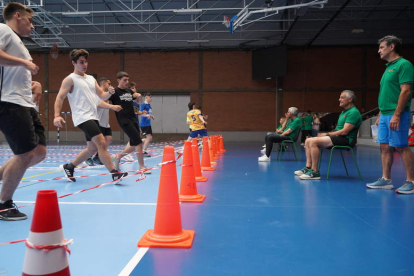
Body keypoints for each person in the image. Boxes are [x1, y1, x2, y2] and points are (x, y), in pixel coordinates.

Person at [0, 2, 46, 220]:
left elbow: (12, 75)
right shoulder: (4, 30)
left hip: (24, 102)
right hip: (8, 102)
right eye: (30, 20)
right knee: (25, 153)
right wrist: (25, 63)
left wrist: (33, 84)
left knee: (38, 152)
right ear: (18, 16)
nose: (33, 26)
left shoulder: (18, 42)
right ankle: (4, 204)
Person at [54, 49, 128, 183]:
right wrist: (56, 115)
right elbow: (60, 97)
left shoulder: (91, 78)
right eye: (81, 62)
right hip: (82, 117)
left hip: (93, 116)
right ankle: (114, 173)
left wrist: (110, 92)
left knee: (92, 148)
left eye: (86, 61)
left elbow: (102, 95)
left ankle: (69, 167)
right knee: (101, 142)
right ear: (74, 63)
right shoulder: (70, 79)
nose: (84, 65)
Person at [366, 35, 414, 194]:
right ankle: (386, 179)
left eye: (381, 47)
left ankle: (411, 181)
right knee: (384, 146)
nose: (379, 50)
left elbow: (405, 91)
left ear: (391, 47)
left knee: (401, 146)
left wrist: (397, 114)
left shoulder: (404, 65)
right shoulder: (388, 67)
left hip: (397, 114)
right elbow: (387, 94)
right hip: (385, 113)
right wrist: (380, 114)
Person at [294, 90, 362, 180]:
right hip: (338, 137)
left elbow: (344, 132)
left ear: (350, 99)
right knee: (308, 140)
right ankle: (308, 167)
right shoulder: (343, 112)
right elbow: (338, 129)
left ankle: (315, 172)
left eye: (342, 97)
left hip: (346, 139)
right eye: (340, 97)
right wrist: (326, 135)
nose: (339, 99)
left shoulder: (353, 112)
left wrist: (327, 134)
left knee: (313, 142)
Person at [109, 72, 151, 174]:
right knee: (138, 142)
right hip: (124, 121)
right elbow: (104, 100)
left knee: (133, 144)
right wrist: (112, 106)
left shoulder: (128, 91)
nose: (127, 82)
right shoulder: (115, 91)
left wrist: (138, 96)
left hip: (133, 120)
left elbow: (137, 103)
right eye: (124, 80)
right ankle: (141, 166)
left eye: (128, 80)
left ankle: (118, 157)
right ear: (118, 80)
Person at [86, 77, 122, 166]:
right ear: (103, 84)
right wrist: (112, 107)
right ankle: (88, 157)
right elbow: (99, 104)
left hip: (105, 123)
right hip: (97, 122)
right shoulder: (97, 94)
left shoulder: (107, 95)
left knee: (109, 139)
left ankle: (97, 157)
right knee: (94, 145)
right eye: (109, 84)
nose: (110, 86)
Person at [140, 92, 155, 157]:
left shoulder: (149, 105)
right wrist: (146, 116)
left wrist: (151, 116)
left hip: (148, 124)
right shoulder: (143, 104)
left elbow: (148, 113)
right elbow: (140, 113)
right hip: (144, 124)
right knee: (148, 138)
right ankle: (143, 152)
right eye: (150, 97)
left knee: (150, 138)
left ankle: (137, 142)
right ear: (146, 97)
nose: (151, 98)